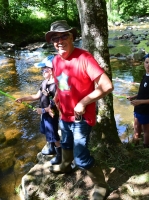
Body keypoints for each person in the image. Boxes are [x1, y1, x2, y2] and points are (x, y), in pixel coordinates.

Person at [45, 20, 113, 199]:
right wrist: (57, 100)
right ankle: (66, 165)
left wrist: (83, 102)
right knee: (66, 143)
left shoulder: (84, 58)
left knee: (81, 156)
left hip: (81, 118)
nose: (59, 41)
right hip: (64, 115)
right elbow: (61, 83)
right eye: (55, 38)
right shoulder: (55, 60)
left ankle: (101, 185)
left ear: (72, 37)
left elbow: (107, 86)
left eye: (63, 36)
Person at [15, 55, 62, 165]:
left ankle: (60, 155)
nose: (42, 72)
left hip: (51, 114)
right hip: (44, 113)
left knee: (53, 134)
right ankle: (51, 148)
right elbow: (36, 96)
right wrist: (23, 99)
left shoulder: (57, 85)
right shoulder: (44, 82)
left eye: (43, 70)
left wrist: (44, 110)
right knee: (46, 131)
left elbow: (56, 104)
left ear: (50, 70)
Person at [127, 52, 149, 148]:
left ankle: (146, 147)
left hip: (147, 109)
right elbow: (144, 91)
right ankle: (135, 145)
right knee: (136, 127)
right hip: (138, 107)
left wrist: (140, 102)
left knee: (146, 129)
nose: (148, 65)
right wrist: (134, 97)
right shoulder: (145, 75)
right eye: (146, 62)